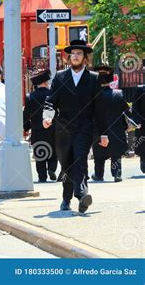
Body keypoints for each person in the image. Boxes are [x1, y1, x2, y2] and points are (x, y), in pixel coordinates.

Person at [43, 40, 108, 213]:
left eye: (79, 54)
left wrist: (104, 133)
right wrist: (48, 116)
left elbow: (99, 108)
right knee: (67, 163)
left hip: (84, 126)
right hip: (63, 127)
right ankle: (66, 199)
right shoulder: (60, 77)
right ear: (69, 58)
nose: (76, 56)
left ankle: (81, 194)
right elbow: (50, 101)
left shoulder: (93, 78)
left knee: (80, 159)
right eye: (73, 54)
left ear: (85, 58)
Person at [91, 66, 130, 183]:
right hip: (116, 129)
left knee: (99, 156)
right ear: (111, 80)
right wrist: (126, 125)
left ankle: (99, 174)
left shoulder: (93, 96)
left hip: (98, 129)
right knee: (116, 153)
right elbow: (126, 111)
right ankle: (117, 174)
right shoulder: (118, 94)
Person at [23, 69, 58, 182]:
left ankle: (42, 176)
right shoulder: (53, 94)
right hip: (53, 128)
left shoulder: (30, 97)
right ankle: (52, 169)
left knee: (40, 153)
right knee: (53, 151)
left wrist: (26, 127)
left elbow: (26, 115)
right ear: (47, 82)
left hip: (37, 130)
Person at [133, 85, 145, 173]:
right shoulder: (140, 89)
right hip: (142, 123)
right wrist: (137, 121)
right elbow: (135, 107)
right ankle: (144, 162)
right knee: (142, 144)